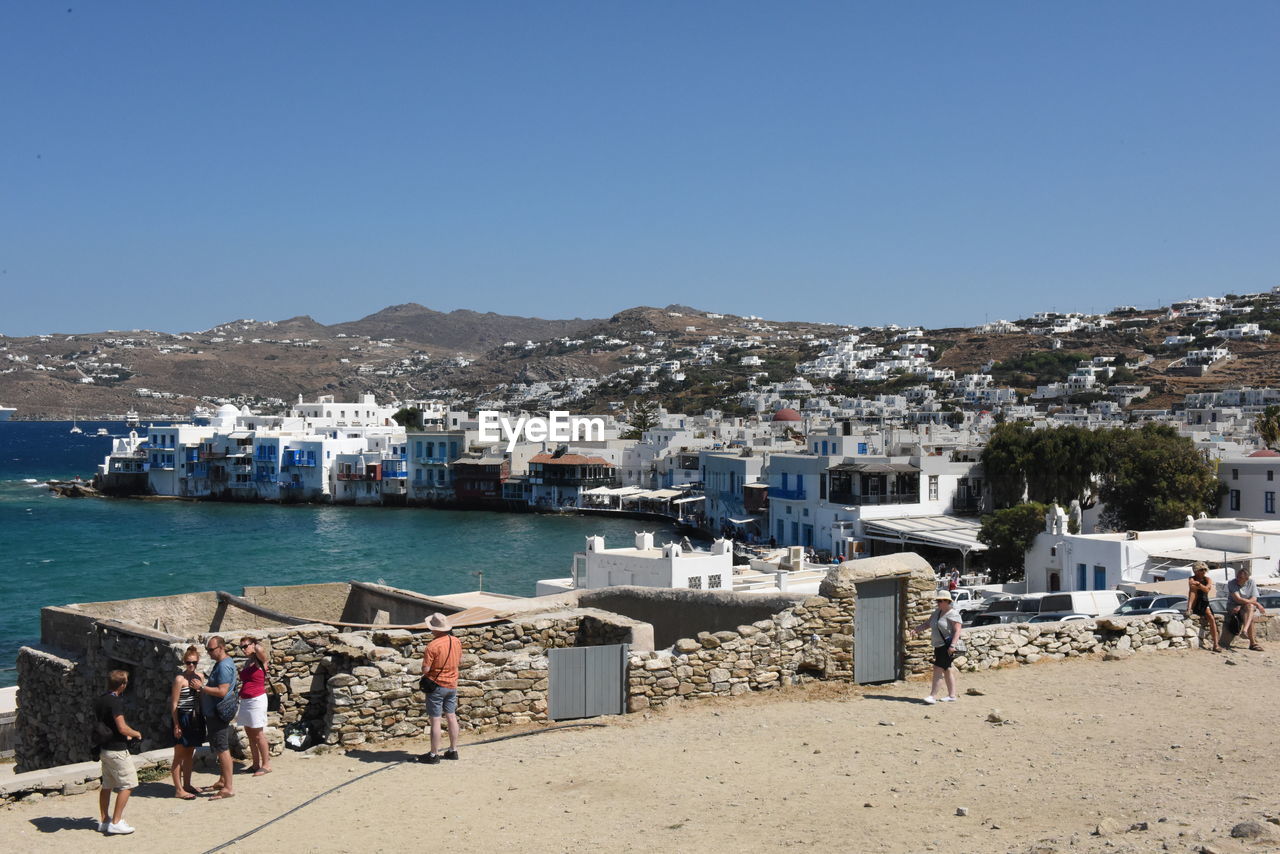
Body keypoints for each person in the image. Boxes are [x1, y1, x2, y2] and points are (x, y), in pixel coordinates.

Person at [95, 669, 142, 835]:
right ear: (122, 685)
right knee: (129, 784)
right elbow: (122, 727)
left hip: (104, 749)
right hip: (117, 750)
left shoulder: (100, 700)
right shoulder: (116, 702)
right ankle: (116, 821)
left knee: (107, 785)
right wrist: (135, 733)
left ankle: (104, 820)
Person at [418, 612, 462, 764]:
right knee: (451, 716)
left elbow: (425, 669)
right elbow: (458, 661)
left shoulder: (432, 646)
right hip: (452, 684)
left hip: (436, 686)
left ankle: (433, 754)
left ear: (435, 629)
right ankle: (453, 750)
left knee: (435, 720)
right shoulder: (456, 641)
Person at [197, 635, 237, 799]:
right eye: (207, 650)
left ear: (221, 647)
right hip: (215, 713)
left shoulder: (223, 667)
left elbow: (222, 691)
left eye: (211, 650)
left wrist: (202, 688)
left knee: (222, 749)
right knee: (219, 748)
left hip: (217, 714)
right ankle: (223, 780)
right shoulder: (222, 664)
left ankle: (228, 787)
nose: (209, 653)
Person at [169, 645, 206, 799]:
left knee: (190, 753)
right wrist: (176, 724)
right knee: (179, 754)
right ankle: (178, 790)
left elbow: (202, 698)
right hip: (183, 717)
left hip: (195, 718)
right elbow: (174, 703)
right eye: (189, 662)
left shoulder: (200, 677)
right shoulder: (180, 679)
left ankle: (187, 784)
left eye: (194, 662)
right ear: (184, 662)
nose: (192, 665)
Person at [914, 591, 962, 704]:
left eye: (940, 601)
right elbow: (927, 624)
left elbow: (957, 631)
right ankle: (952, 695)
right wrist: (916, 630)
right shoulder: (937, 612)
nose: (938, 603)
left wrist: (953, 645)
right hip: (938, 646)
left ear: (947, 601)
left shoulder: (953, 614)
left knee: (938, 669)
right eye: (937, 600)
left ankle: (932, 696)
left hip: (946, 647)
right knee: (947, 669)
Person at [236, 636, 273, 776]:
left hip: (257, 700)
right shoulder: (248, 662)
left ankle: (266, 764)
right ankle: (256, 763)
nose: (243, 649)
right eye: (242, 647)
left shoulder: (259, 660)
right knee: (249, 733)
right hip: (246, 700)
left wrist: (255, 645)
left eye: (245, 646)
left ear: (253, 645)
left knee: (258, 734)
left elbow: (261, 652)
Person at [1223, 566, 1267, 652]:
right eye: (1237, 576)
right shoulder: (1232, 583)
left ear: (1246, 578)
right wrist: (1256, 604)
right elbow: (1238, 599)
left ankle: (1245, 630)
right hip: (1233, 605)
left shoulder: (1251, 582)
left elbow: (1254, 598)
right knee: (1250, 614)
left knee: (1249, 608)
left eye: (1240, 577)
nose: (1237, 579)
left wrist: (1248, 603)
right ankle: (1253, 643)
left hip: (1245, 606)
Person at [1185, 562, 1220, 653]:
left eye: (1205, 569)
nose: (1204, 571)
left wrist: (1199, 585)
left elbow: (1207, 589)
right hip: (1196, 602)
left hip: (1204, 602)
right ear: (1196, 571)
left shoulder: (1207, 579)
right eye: (1201, 570)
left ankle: (1216, 644)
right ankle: (1189, 608)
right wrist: (1198, 585)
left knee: (1211, 618)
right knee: (1193, 591)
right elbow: (1192, 588)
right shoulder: (1192, 578)